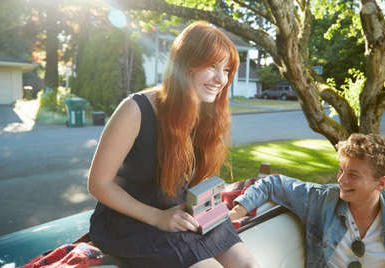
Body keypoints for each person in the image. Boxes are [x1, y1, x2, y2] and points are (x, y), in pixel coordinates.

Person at [88, 21, 259, 268]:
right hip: (131, 220)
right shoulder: (135, 110)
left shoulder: (209, 112)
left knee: (249, 266)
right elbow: (98, 184)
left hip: (183, 211)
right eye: (212, 65)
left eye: (227, 69)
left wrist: (205, 207)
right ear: (186, 64)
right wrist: (158, 217)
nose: (221, 79)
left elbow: (198, 181)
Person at [229, 134, 385, 268]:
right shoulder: (323, 200)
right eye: (341, 170)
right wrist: (236, 213)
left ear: (381, 183)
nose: (341, 180)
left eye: (353, 175)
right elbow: (273, 183)